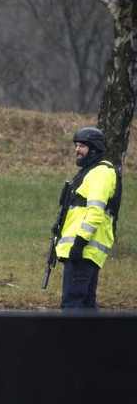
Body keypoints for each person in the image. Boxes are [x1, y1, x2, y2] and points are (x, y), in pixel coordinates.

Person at [56, 127, 121, 310]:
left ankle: (71, 339)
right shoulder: (90, 172)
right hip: (83, 251)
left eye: (82, 146)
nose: (77, 150)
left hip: (84, 250)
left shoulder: (100, 173)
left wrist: (79, 243)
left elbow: (95, 211)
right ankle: (100, 339)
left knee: (73, 303)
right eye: (76, 145)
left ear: (94, 149)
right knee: (86, 304)